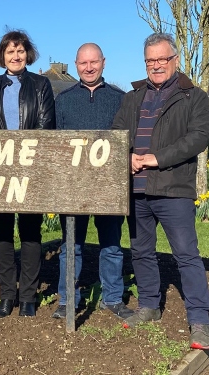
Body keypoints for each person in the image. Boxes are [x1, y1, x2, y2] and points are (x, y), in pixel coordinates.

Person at [112, 32, 209, 350]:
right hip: (137, 189)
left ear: (175, 60)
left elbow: (198, 137)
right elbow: (117, 131)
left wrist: (157, 158)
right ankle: (150, 306)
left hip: (173, 189)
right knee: (141, 250)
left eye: (162, 59)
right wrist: (124, 154)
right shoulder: (133, 97)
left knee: (186, 254)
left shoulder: (193, 97)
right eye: (150, 60)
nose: (156, 65)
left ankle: (199, 321)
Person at [51, 43, 133, 320]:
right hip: (73, 188)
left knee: (111, 245)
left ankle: (112, 298)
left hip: (109, 187)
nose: (88, 68)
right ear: (76, 65)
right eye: (83, 63)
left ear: (103, 63)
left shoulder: (121, 99)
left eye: (93, 62)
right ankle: (67, 299)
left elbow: (126, 144)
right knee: (70, 246)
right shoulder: (63, 100)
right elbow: (56, 146)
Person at [0, 30, 55, 317]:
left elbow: (46, 125)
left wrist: (24, 156)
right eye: (10, 52)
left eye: (20, 51)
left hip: (31, 168)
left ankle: (28, 295)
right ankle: (6, 294)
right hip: (0, 169)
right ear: (3, 56)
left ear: (28, 54)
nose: (15, 56)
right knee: (1, 233)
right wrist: (6, 157)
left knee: (30, 231)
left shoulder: (41, 84)